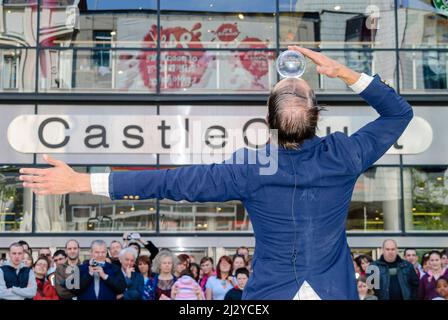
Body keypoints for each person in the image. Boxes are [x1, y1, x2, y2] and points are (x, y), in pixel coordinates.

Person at [19, 46, 414, 300]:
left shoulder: (252, 167)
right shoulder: (342, 154)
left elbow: (169, 183)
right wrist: (345, 72)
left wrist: (81, 181)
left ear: (268, 120)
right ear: (318, 113)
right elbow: (399, 112)